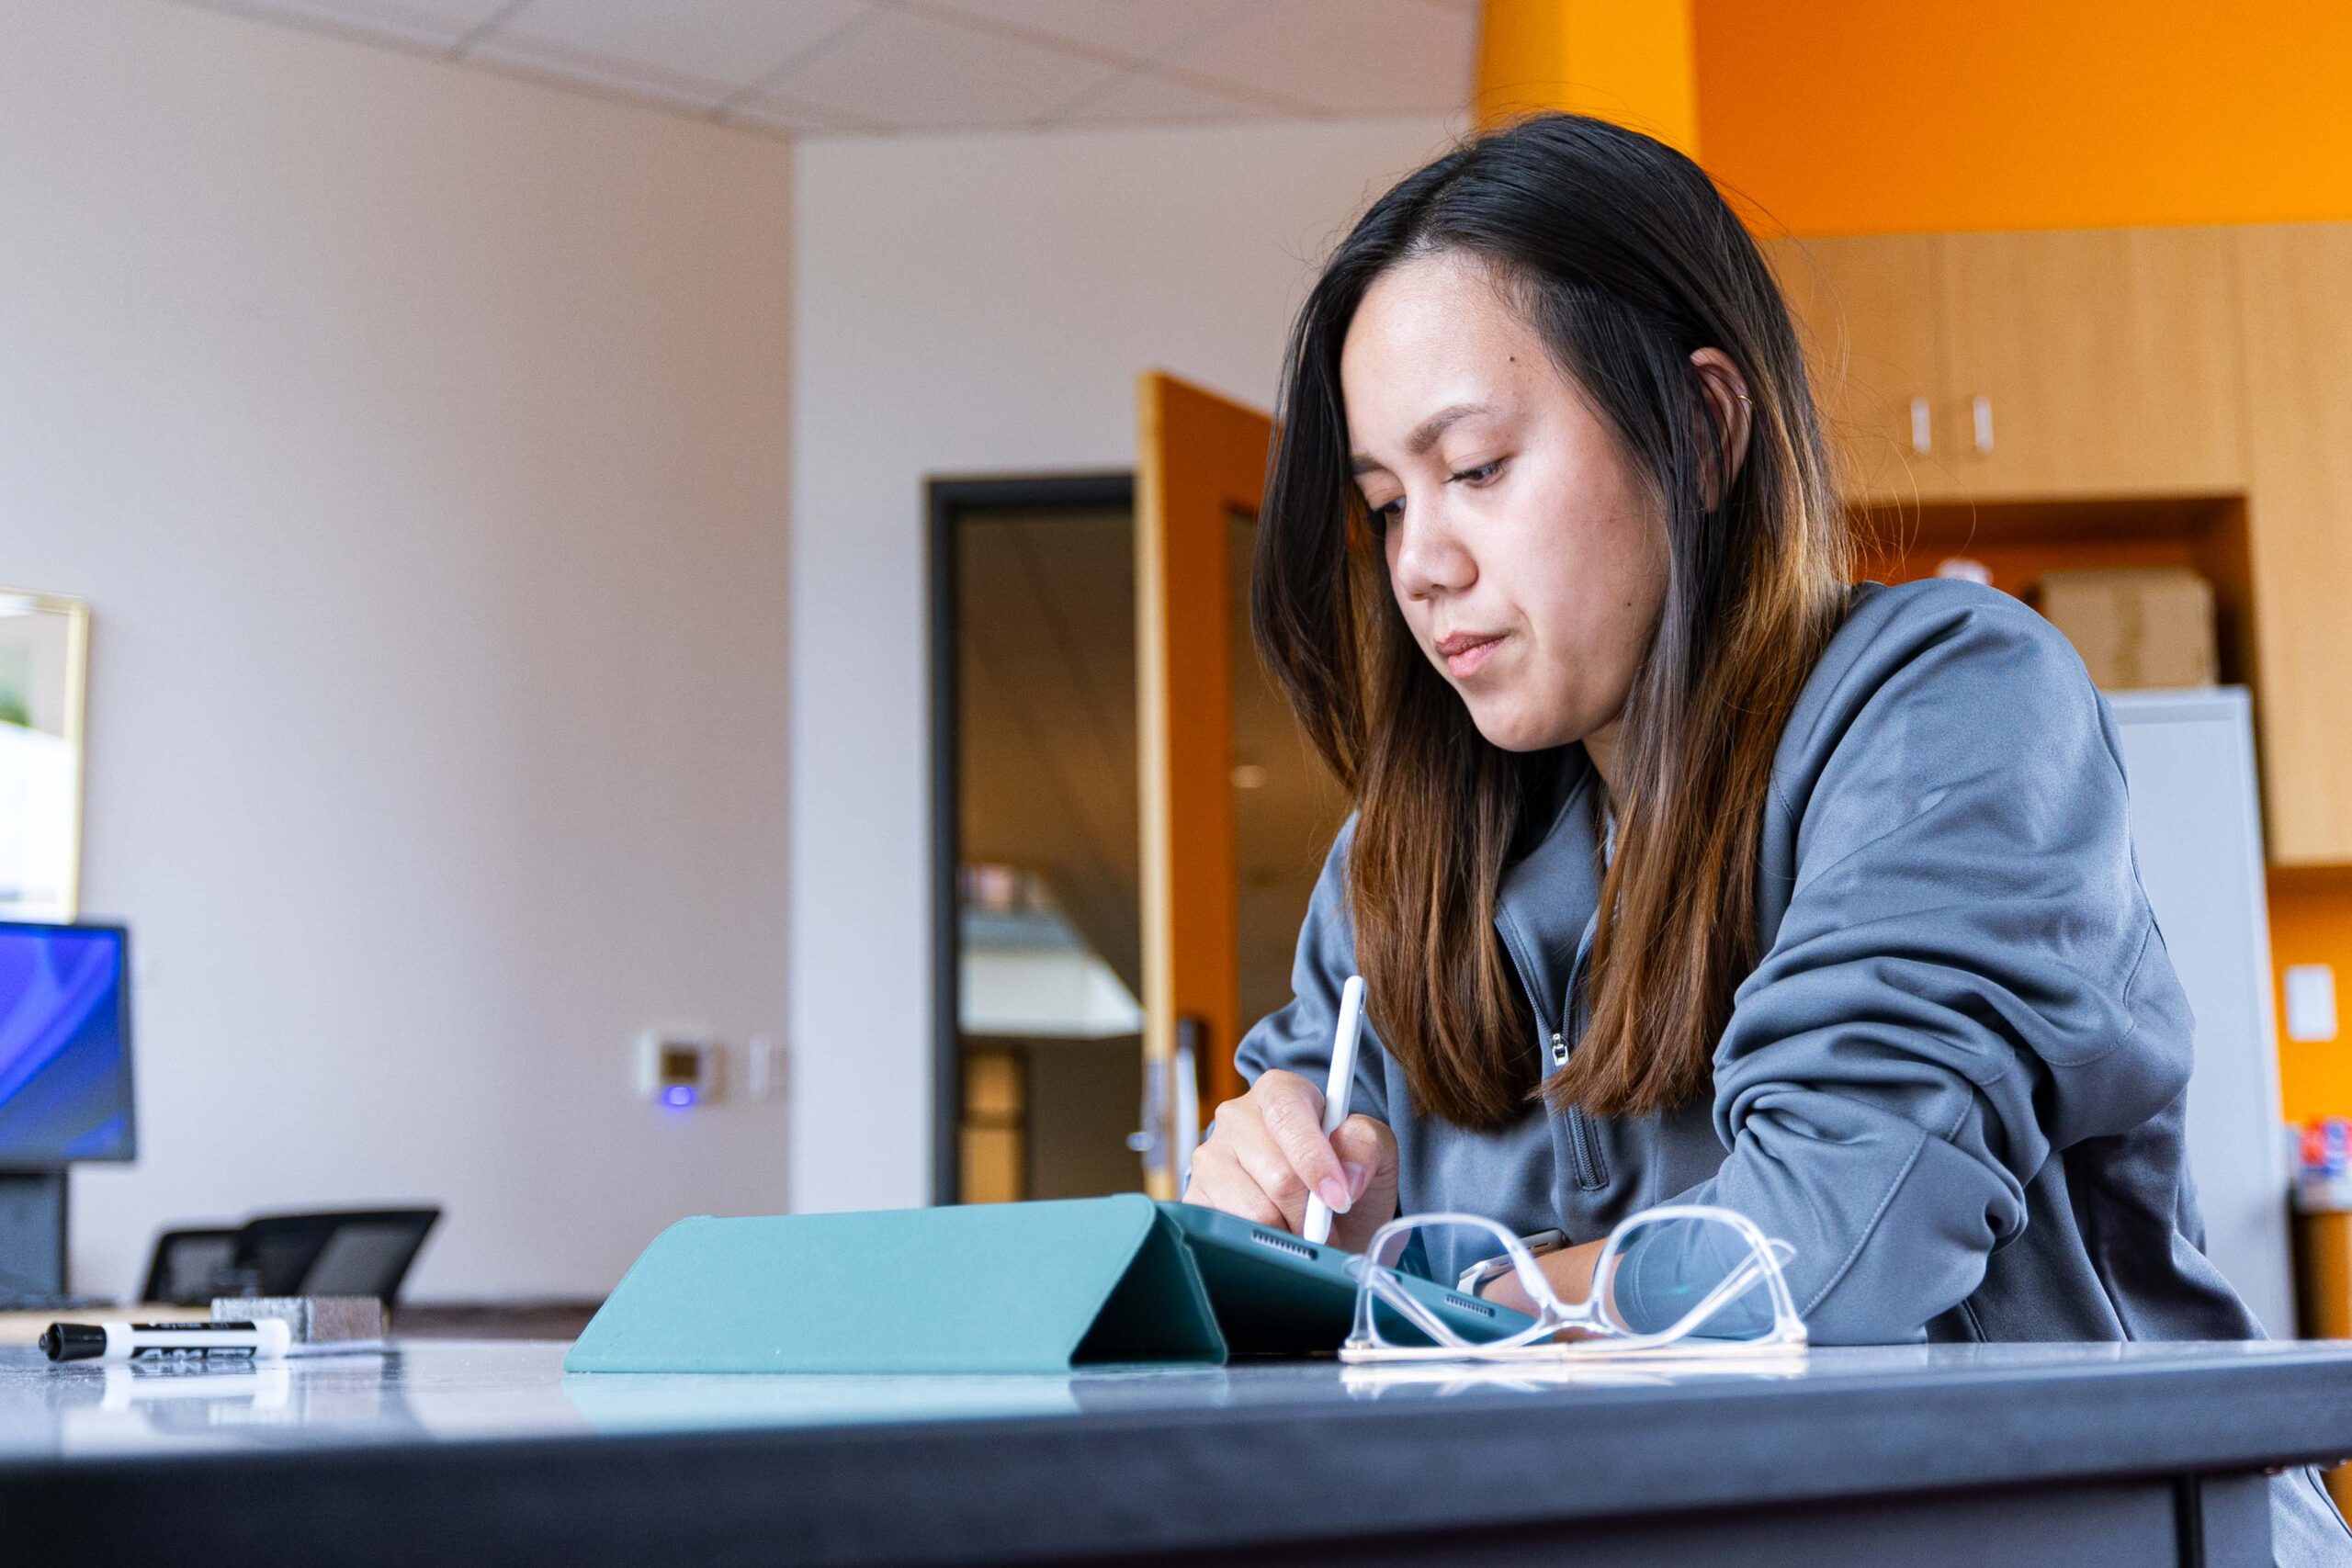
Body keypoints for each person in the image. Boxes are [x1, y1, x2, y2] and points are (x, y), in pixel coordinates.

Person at [1182, 112, 2349, 1559]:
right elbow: (1273, 1274)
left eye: (1474, 468)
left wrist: (1423, 1308)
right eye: (1383, 504)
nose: (1419, 562)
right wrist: (1267, 1214)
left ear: (1701, 428)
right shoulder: (1395, 864)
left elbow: (1817, 1254)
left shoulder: (1950, 703)